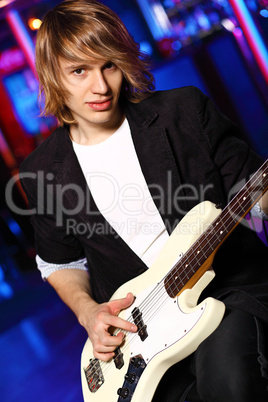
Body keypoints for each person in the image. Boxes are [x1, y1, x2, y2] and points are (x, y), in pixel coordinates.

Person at [19, 0, 268, 401]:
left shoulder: (185, 111)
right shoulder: (42, 171)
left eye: (109, 66)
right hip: (141, 332)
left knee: (229, 383)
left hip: (226, 292)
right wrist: (88, 312)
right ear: (53, 77)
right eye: (79, 71)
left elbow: (254, 194)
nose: (99, 88)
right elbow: (60, 261)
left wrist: (261, 203)